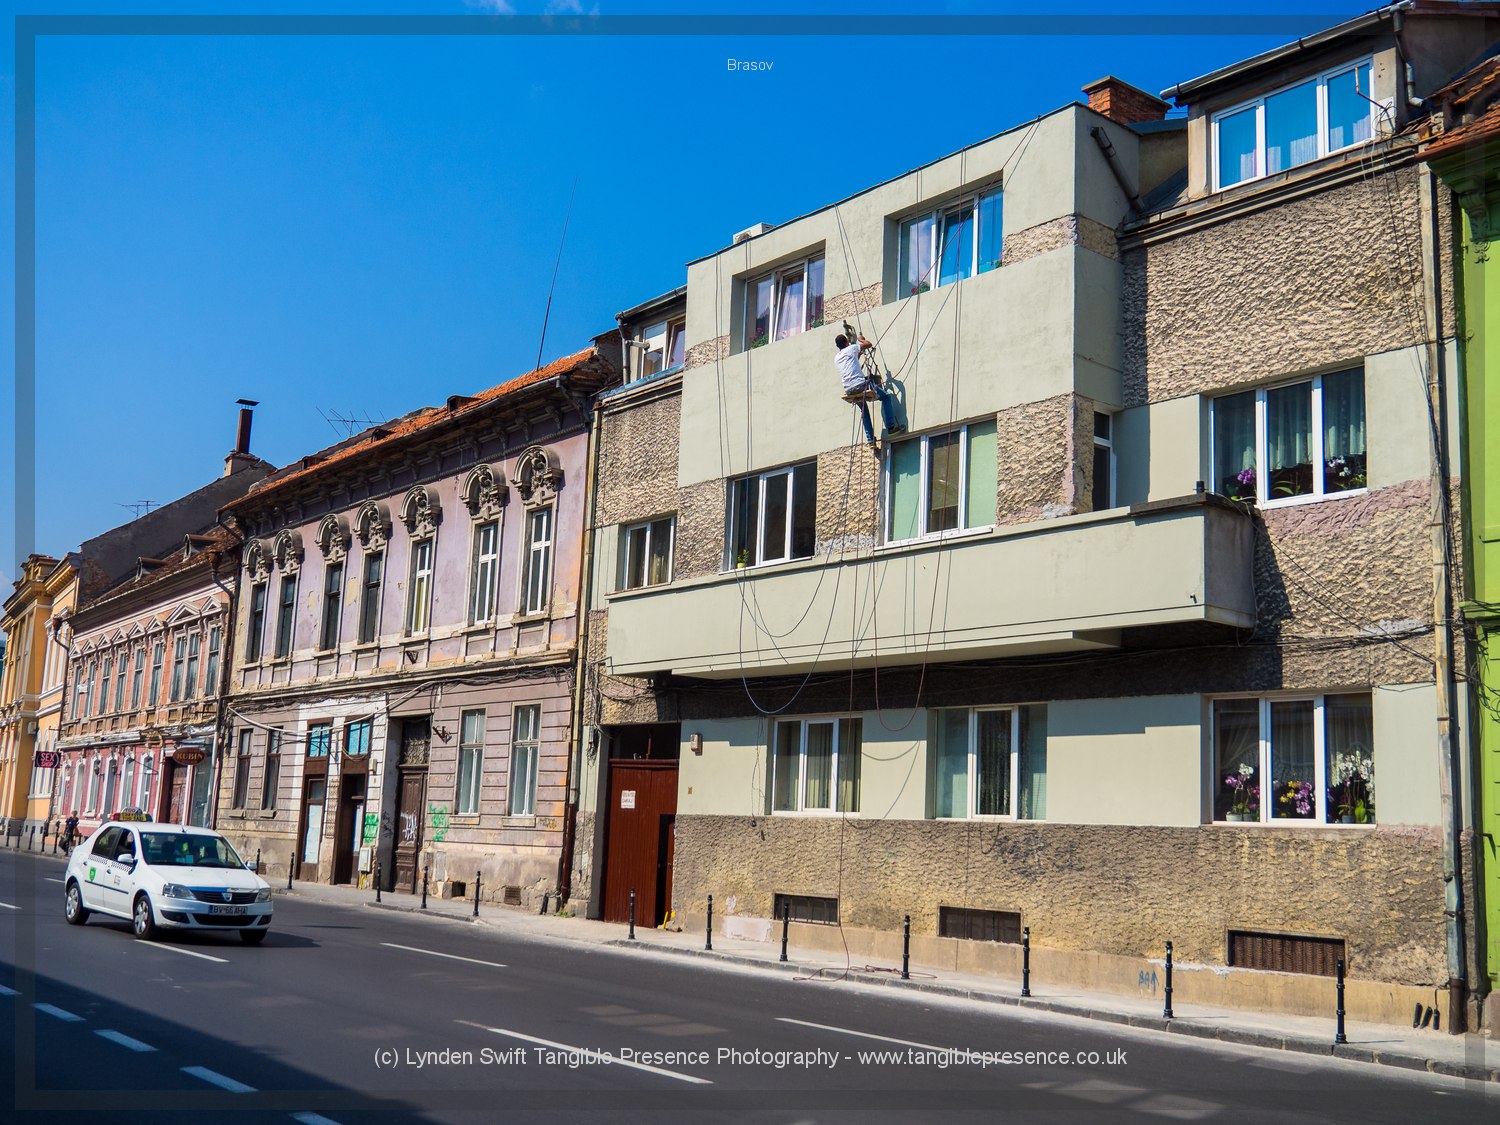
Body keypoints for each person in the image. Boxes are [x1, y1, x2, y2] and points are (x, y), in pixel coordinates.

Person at [835, 331, 902, 448]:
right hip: (860, 385)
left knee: (864, 410)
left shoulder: (837, 357)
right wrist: (861, 339)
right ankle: (891, 427)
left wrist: (858, 351)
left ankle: (870, 440)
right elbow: (869, 344)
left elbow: (854, 358)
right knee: (886, 397)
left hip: (849, 390)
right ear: (846, 342)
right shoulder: (852, 348)